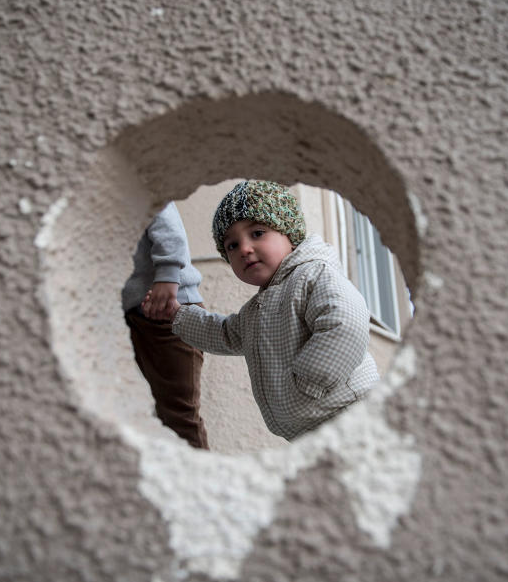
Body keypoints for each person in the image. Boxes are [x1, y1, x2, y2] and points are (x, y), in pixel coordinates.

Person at [142, 180, 379, 441]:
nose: (244, 248)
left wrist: (308, 382)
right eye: (231, 245)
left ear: (289, 233)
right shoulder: (259, 309)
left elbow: (346, 324)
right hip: (312, 430)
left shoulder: (313, 275)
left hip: (350, 414)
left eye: (257, 233)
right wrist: (178, 314)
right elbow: (224, 334)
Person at [122, 202, 209, 449]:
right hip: (132, 313)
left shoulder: (136, 173)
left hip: (170, 309)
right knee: (154, 418)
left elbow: (163, 215)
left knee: (180, 418)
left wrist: (168, 275)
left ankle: (198, 485)